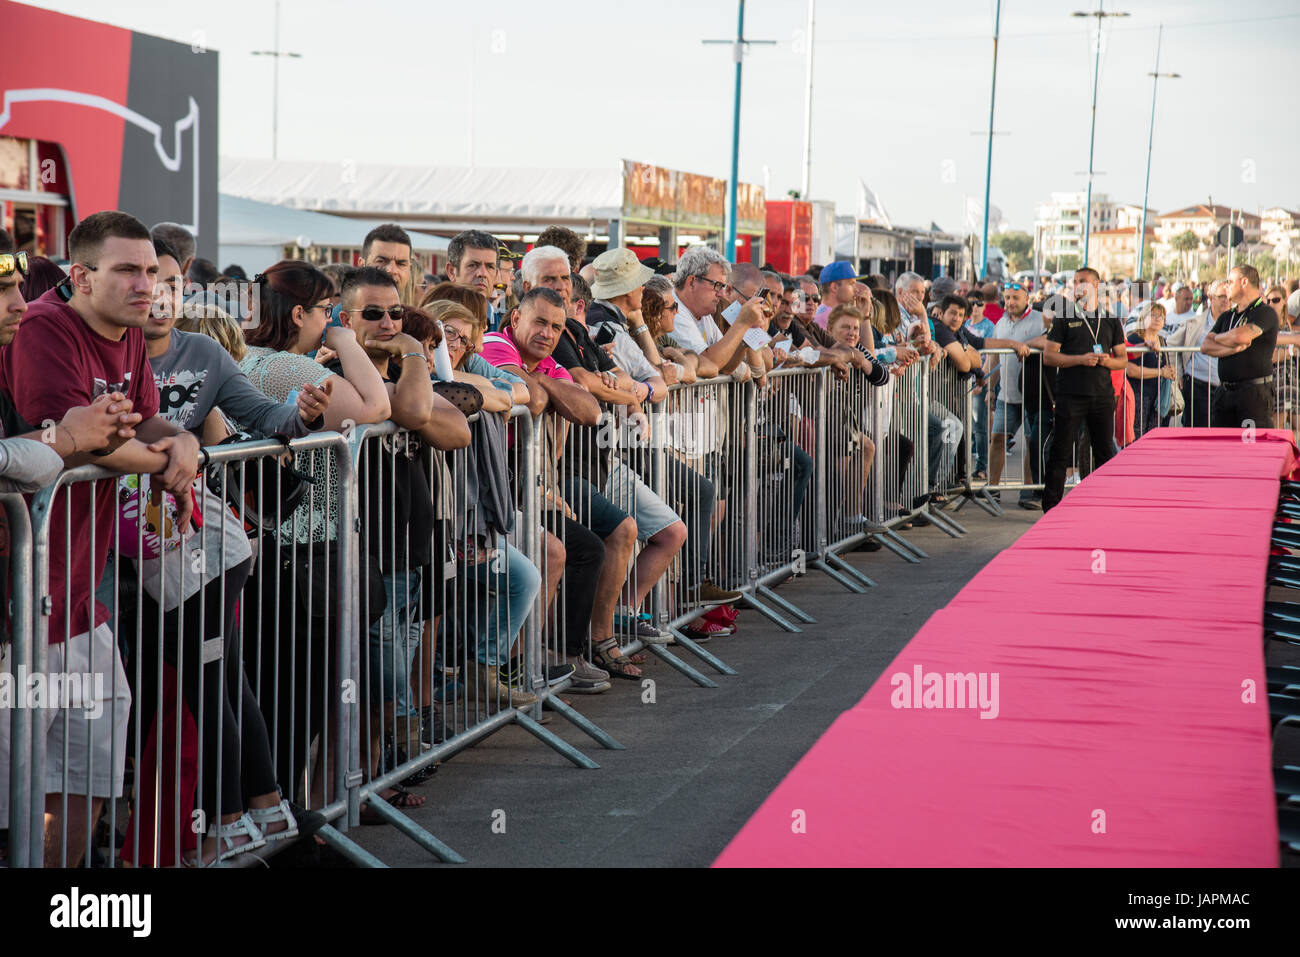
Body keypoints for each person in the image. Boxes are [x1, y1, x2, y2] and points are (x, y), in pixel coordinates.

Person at [0, 211, 201, 866]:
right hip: (20, 611)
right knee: (16, 798)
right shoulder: (41, 330)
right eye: (128, 270)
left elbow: (132, 428)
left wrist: (184, 441)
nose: (147, 285)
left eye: (151, 270)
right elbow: (69, 441)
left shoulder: (131, 334)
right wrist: (156, 452)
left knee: (85, 777)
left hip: (83, 607)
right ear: (82, 277)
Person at [1041, 266, 1128, 512]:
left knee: (1103, 453)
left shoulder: (1110, 319)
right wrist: (1080, 359)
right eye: (1075, 281)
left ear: (1097, 285)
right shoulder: (1065, 317)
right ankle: (1051, 506)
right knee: (1061, 451)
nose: (1078, 285)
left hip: (1102, 395)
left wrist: (1106, 361)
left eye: (1084, 281)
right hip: (1070, 395)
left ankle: (1102, 505)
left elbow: (1122, 359)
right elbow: (1049, 356)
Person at [987, 281, 1051, 508]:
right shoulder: (1001, 323)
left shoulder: (1038, 319)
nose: (1010, 302)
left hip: (1033, 396)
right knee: (997, 440)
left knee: (1029, 444)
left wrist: (1026, 344)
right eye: (1007, 297)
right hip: (1007, 395)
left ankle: (1029, 491)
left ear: (1027, 299)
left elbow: (1051, 340)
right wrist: (988, 388)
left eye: (1015, 297)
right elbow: (994, 358)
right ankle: (992, 490)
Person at [1201, 265, 1279, 430]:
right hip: (1225, 393)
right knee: (1221, 447)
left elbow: (1240, 336)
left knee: (1249, 449)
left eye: (1230, 282)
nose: (1227, 286)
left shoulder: (1265, 312)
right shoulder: (1226, 316)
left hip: (1252, 395)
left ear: (1244, 282)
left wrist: (1218, 338)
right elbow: (1206, 346)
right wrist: (1232, 348)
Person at [1165, 278, 1224, 427]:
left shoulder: (1235, 323)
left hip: (1226, 389)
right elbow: (1171, 344)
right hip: (1198, 387)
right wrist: (1177, 373)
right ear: (1210, 298)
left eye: (1228, 297)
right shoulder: (1196, 322)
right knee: (1197, 434)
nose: (1226, 301)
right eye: (1221, 296)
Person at [1124, 302, 1176, 438]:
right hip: (1139, 397)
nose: (1158, 319)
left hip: (1159, 400)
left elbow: (1164, 366)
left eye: (1161, 316)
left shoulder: (1162, 340)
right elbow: (1131, 370)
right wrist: (1161, 372)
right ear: (1143, 317)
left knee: (1156, 439)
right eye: (1153, 315)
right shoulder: (1135, 338)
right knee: (1136, 439)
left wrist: (1170, 371)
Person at [445, 229, 501, 326]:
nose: (482, 273)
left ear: (496, 274)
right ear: (451, 272)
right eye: (473, 265)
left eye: (489, 267)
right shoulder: (431, 323)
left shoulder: (508, 327)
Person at [361, 223, 415, 303]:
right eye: (381, 261)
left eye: (401, 264)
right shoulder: (343, 313)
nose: (392, 270)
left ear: (409, 270)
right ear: (362, 265)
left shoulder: (414, 315)